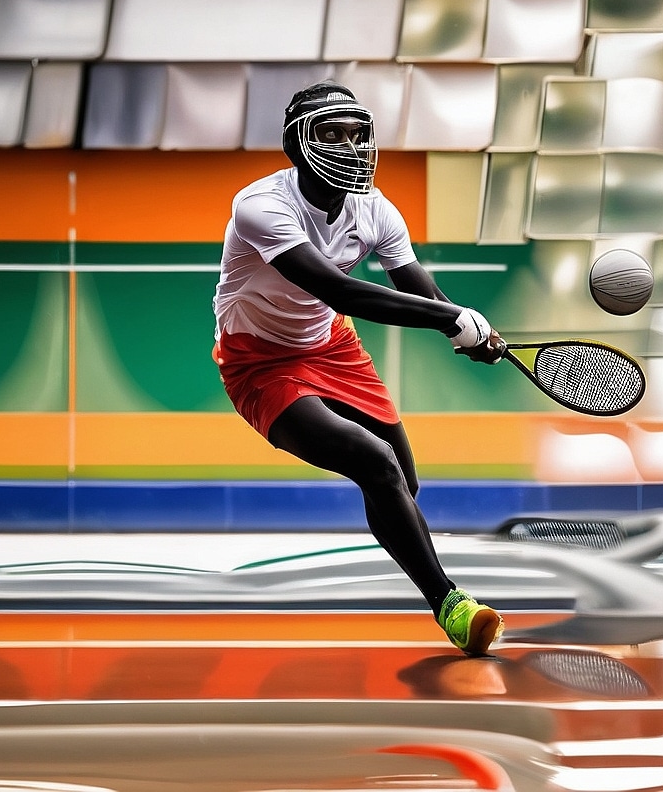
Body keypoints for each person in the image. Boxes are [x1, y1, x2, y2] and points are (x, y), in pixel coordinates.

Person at [212, 80, 505, 656]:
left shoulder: (375, 208)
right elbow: (339, 290)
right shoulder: (260, 206)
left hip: (332, 345)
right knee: (375, 461)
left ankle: (433, 583)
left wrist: (465, 327)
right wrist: (453, 319)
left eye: (358, 134)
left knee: (402, 483)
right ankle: (452, 605)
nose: (350, 147)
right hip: (259, 361)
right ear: (297, 146)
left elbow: (413, 283)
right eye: (332, 134)